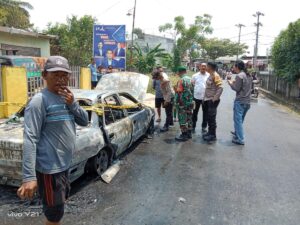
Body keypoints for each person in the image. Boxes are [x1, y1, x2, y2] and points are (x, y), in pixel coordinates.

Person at [17, 56, 89, 225]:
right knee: (54, 216)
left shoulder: (68, 97)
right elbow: (30, 138)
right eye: (55, 75)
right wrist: (29, 177)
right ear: (44, 75)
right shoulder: (38, 101)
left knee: (58, 209)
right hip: (50, 170)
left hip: (63, 165)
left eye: (64, 75)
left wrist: (73, 104)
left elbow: (85, 121)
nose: (61, 79)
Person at [228, 60, 253, 145]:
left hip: (240, 101)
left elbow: (236, 88)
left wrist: (230, 83)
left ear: (237, 67)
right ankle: (237, 133)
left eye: (234, 66)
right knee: (240, 119)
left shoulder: (239, 75)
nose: (233, 67)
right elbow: (244, 86)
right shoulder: (248, 75)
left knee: (237, 120)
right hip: (247, 101)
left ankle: (240, 139)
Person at [203, 62, 223, 142]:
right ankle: (209, 132)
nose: (206, 67)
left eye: (207, 66)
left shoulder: (215, 75)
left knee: (212, 118)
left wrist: (215, 98)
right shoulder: (210, 75)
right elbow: (208, 88)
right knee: (209, 117)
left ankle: (213, 135)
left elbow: (220, 88)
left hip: (212, 100)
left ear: (210, 67)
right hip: (208, 99)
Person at [174, 66, 194, 141]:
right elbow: (193, 91)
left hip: (182, 103)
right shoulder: (191, 79)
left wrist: (176, 102)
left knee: (182, 118)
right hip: (190, 102)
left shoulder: (181, 80)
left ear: (180, 72)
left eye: (178, 72)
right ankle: (189, 133)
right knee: (189, 117)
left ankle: (184, 134)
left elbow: (179, 92)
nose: (178, 74)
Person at [191, 63, 209, 134]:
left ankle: (204, 127)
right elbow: (192, 85)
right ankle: (193, 126)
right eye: (202, 66)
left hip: (205, 98)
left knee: (205, 113)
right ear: (199, 67)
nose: (203, 67)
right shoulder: (195, 75)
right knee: (195, 113)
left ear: (206, 67)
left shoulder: (209, 75)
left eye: (205, 66)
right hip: (196, 97)